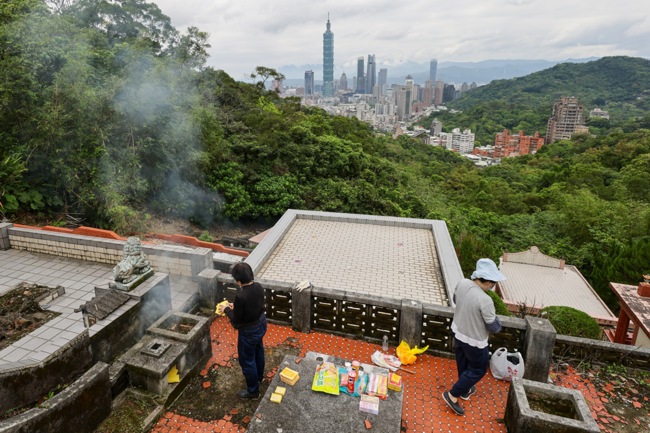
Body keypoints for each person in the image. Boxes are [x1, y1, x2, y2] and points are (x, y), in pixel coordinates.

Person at [442, 258, 506, 416]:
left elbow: (456, 300)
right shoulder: (485, 300)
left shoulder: (463, 283)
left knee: (463, 363)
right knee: (478, 369)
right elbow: (493, 327)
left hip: (458, 331)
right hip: (475, 340)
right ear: (489, 282)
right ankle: (452, 395)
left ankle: (465, 389)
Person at [218, 262, 267, 399]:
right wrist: (236, 306)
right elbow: (253, 304)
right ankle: (259, 377)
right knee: (258, 350)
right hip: (261, 323)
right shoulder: (258, 286)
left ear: (238, 281)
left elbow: (237, 319)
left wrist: (226, 309)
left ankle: (253, 391)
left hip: (249, 331)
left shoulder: (241, 296)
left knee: (247, 360)